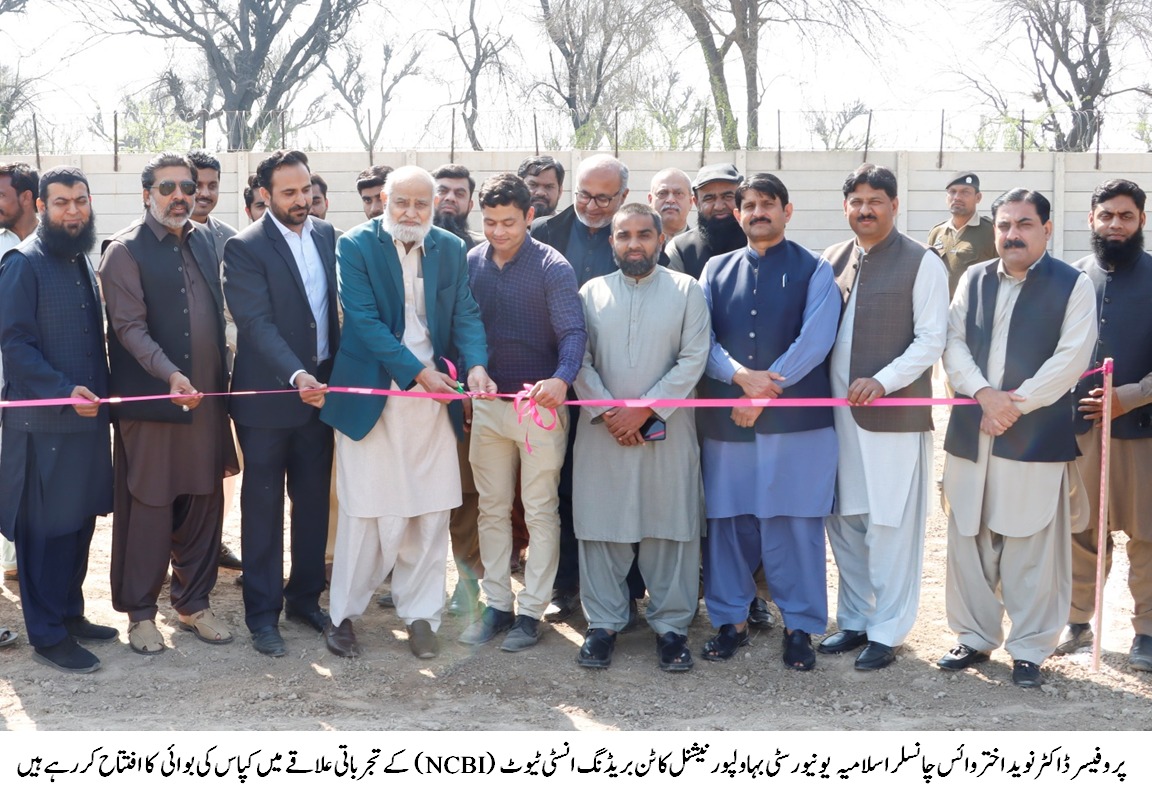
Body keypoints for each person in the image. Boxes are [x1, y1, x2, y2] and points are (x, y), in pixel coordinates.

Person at [320, 166, 493, 660]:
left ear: (434, 205)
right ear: (385, 202)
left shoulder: (450, 248)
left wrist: (476, 366)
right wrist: (418, 374)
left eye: (421, 204)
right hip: (374, 394)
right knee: (366, 510)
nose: (411, 213)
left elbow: (465, 313)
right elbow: (364, 322)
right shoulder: (355, 246)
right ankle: (343, 617)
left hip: (432, 403)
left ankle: (421, 615)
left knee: (430, 509)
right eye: (401, 203)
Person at [938, 188, 1096, 688]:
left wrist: (1012, 405)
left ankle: (1029, 649)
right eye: (1005, 225)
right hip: (974, 427)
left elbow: (1071, 358)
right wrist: (986, 394)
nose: (1012, 235)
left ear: (1047, 229)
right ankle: (974, 636)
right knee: (970, 534)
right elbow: (953, 342)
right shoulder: (974, 278)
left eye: (1024, 224)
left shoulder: (1073, 284)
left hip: (1034, 433)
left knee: (1031, 543)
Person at [697, 173, 840, 671]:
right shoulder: (714, 270)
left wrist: (762, 392)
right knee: (728, 522)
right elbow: (703, 339)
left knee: (796, 523)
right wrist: (739, 377)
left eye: (767, 204)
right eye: (749, 205)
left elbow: (816, 339)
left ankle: (799, 627)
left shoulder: (816, 269)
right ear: (738, 214)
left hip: (797, 426)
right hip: (727, 422)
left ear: (787, 210)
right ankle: (729, 621)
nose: (758, 212)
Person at [99, 152, 239, 655]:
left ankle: (193, 603)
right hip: (154, 401)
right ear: (146, 194)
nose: (181, 195)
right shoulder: (124, 251)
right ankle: (140, 614)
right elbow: (129, 327)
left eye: (188, 185)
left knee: (204, 501)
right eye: (168, 187)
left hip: (207, 399)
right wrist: (171, 374)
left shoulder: (207, 240)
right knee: (150, 507)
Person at [821, 164, 949, 671]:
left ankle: (888, 630)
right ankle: (853, 620)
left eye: (876, 200)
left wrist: (884, 380)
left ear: (895, 206)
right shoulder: (832, 259)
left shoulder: (923, 261)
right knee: (846, 520)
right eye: (856, 200)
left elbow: (931, 338)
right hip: (834, 419)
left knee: (889, 523)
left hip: (891, 416)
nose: (865, 209)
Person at [572, 203, 710, 671]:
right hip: (602, 431)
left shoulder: (687, 291)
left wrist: (645, 409)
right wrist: (612, 411)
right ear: (611, 241)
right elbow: (577, 358)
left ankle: (671, 629)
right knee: (602, 526)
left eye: (644, 235)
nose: (634, 244)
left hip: (668, 429)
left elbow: (694, 359)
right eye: (624, 235)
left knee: (669, 525)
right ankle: (603, 625)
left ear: (659, 238)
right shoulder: (590, 292)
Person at [460, 173, 585, 652]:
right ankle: (497, 606)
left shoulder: (553, 266)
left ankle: (531, 611)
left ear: (530, 216)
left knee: (539, 510)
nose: (498, 232)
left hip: (540, 408)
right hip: (489, 405)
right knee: (490, 508)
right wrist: (472, 369)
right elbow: (463, 325)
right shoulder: (472, 262)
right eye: (490, 222)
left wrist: (562, 378)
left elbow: (573, 332)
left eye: (508, 222)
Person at [223, 150, 340, 657]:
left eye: (306, 191)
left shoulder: (328, 236)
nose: (300, 201)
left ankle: (305, 599)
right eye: (288, 193)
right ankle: (263, 615)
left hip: (320, 400)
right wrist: (297, 374)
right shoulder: (243, 247)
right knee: (263, 507)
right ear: (265, 194)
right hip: (269, 400)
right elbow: (256, 324)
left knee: (313, 503)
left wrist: (326, 379)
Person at [0, 166, 116, 672]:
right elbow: (15, 345)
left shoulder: (82, 261)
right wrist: (63, 391)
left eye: (81, 200)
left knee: (78, 524)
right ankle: (47, 634)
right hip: (42, 426)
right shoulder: (23, 264)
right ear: (41, 207)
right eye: (63, 201)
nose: (74, 210)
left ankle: (70, 614)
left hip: (87, 423)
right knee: (44, 532)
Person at [529, 153, 630, 622]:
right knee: (558, 486)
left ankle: (626, 590)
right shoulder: (544, 233)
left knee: (615, 485)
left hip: (617, 383)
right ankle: (562, 584)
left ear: (623, 198)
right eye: (585, 195)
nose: (592, 206)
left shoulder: (636, 237)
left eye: (604, 198)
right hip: (555, 383)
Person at [1058, 179, 1152, 672]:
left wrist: (1128, 397)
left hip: (1143, 430)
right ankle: (1077, 622)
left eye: (1126, 216)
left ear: (1141, 221)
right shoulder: (1071, 279)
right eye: (1106, 215)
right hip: (1080, 430)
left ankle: (1147, 631)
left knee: (1146, 532)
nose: (1115, 224)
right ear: (1090, 219)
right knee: (1083, 529)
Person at [186, 148, 244, 573]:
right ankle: (180, 551)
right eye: (195, 185)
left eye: (211, 186)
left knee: (221, 467)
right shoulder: (151, 238)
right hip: (176, 380)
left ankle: (212, 542)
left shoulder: (231, 239)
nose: (204, 194)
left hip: (227, 375)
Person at [0, 161, 39, 588]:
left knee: (24, 475)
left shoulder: (60, 246)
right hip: (3, 379)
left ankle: (15, 560)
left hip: (39, 389)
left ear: (26, 198)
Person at [666, 163, 746, 279]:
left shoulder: (759, 242)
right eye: (709, 198)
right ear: (696, 202)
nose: (719, 206)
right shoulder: (680, 250)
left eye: (727, 196)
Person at [927, 172, 997, 298]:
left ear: (978, 197)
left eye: (965, 192)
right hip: (942, 311)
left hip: (975, 312)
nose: (957, 197)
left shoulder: (992, 231)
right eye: (952, 192)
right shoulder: (937, 232)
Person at [432, 163, 484, 249]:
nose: (450, 198)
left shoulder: (481, 250)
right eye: (442, 191)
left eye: (459, 194)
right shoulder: (411, 244)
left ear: (470, 206)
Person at [647, 168, 693, 238]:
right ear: (650, 200)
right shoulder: (638, 246)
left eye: (678, 193)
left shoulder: (704, 246)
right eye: (662, 193)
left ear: (690, 202)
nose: (670, 200)